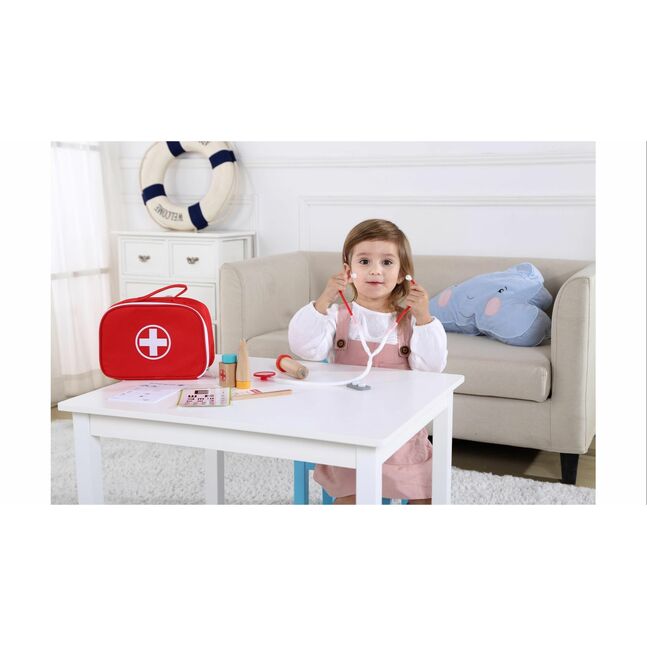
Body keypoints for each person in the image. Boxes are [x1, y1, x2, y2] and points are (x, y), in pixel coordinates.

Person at [288, 219, 448, 504]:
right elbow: (304, 347)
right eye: (364, 261)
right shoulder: (336, 317)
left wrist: (424, 316)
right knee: (351, 497)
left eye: (387, 262)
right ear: (348, 271)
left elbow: (432, 367)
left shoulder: (411, 323)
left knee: (427, 495)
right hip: (349, 433)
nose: (375, 270)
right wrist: (324, 299)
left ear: (403, 274)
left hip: (399, 433)